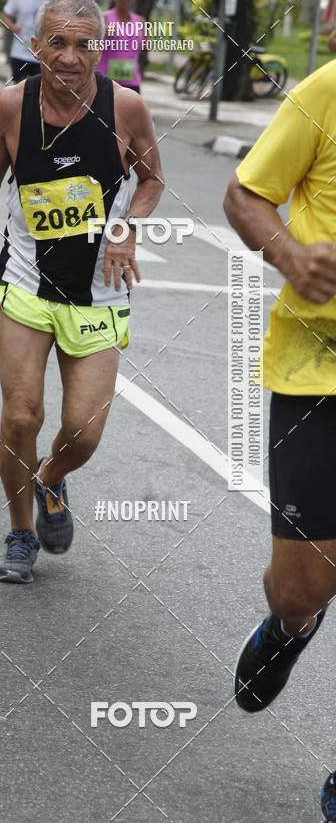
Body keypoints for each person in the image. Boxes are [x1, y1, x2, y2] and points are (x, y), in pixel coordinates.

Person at [0, 0, 163, 583]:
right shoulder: (10, 108)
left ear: (100, 50)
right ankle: (20, 531)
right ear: (35, 47)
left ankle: (51, 478)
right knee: (21, 417)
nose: (69, 56)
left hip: (98, 291)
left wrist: (124, 228)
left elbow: (153, 177)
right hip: (26, 283)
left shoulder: (126, 109)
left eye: (84, 44)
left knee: (83, 431)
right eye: (56, 42)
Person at [224, 62, 336, 818]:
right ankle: (293, 623)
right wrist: (292, 255)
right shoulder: (326, 92)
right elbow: (244, 195)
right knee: (303, 583)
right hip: (316, 372)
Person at [2, 0, 55, 83]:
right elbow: (5, 15)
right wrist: (12, 26)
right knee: (20, 87)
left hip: (42, 54)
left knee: (39, 89)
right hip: (20, 50)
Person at [95, 0, 145, 93]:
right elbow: (92, 45)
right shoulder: (104, 18)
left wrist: (145, 45)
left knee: (132, 111)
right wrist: (104, 35)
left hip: (132, 82)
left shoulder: (140, 21)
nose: (125, 0)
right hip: (106, 81)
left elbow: (144, 48)